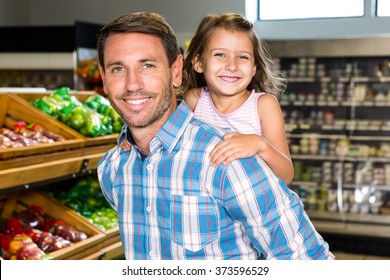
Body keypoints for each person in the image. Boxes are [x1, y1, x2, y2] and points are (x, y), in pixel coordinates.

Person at [97, 11, 334, 260]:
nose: (133, 84)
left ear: (176, 71)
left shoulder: (231, 161)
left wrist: (260, 145)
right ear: (103, 78)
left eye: (148, 65)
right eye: (118, 68)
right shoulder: (113, 169)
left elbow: (304, 258)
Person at [182, 13, 294, 184]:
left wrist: (260, 145)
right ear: (199, 63)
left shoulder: (264, 105)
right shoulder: (194, 100)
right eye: (220, 54)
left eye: (242, 57)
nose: (232, 66)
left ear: (254, 68)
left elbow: (286, 175)